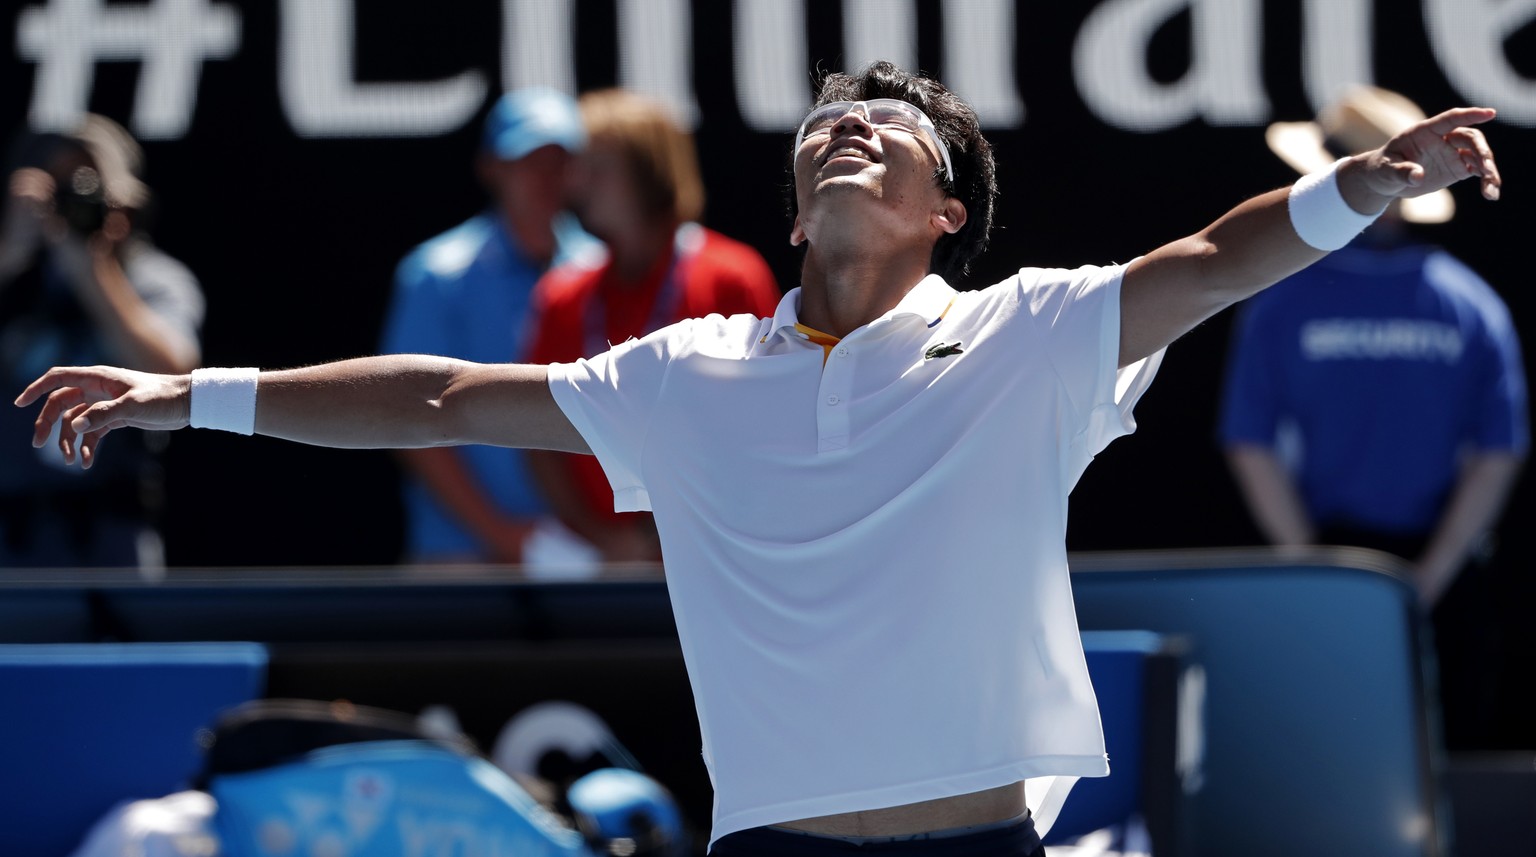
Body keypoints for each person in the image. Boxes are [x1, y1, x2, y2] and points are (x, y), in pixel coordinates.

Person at [15, 61, 1502, 856]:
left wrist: (1361, 186)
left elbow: (1209, 259)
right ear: (795, 212)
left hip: (977, 854)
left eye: (892, 128)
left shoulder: (1035, 335)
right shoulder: (689, 376)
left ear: (943, 211)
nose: (848, 128)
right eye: (826, 125)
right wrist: (185, 393)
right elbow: (443, 399)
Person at [1217, 85, 1528, 750]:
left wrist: (1317, 567)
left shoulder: (1280, 300)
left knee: (1335, 760)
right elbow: (1496, 453)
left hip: (1352, 568)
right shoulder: (1469, 304)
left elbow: (1252, 443)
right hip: (1402, 571)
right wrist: (1422, 579)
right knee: (1441, 764)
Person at [524, 88, 781, 569]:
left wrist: (679, 536)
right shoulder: (562, 295)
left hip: (716, 554)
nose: (577, 184)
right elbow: (538, 441)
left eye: (598, 167)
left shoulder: (731, 276)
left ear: (649, 172)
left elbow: (764, 423)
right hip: (600, 565)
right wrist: (603, 539)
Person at [379, 88, 600, 568]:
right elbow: (403, 413)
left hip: (586, 557)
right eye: (527, 161)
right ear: (492, 168)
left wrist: (596, 537)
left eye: (557, 161)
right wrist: (501, 534)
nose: (545, 178)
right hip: (459, 558)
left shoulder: (600, 270)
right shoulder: (436, 275)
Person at [0, 114, 203, 569]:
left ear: (125, 204)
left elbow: (177, 377)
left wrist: (91, 272)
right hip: (9, 545)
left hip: (115, 543)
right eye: (58, 194)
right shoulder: (10, 276)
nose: (70, 210)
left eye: (87, 190)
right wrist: (9, 253)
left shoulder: (156, 279)